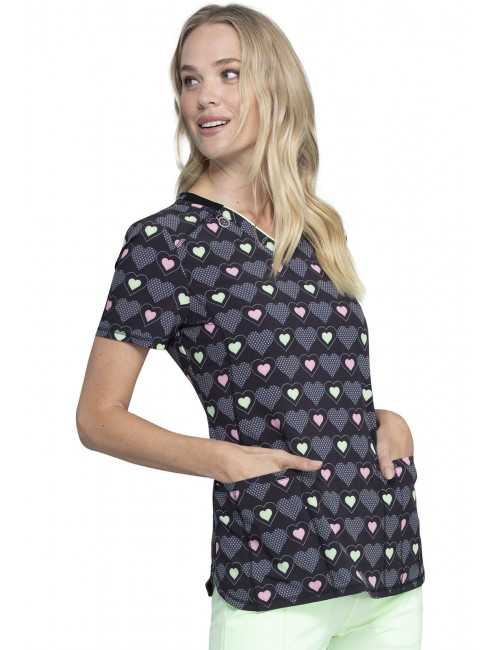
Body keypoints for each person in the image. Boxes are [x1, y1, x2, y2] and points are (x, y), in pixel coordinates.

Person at [76, 4, 425, 649]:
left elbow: (318, 379)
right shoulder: (166, 242)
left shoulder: (315, 228)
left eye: (228, 74)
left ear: (274, 84)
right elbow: (98, 418)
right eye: (190, 80)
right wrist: (225, 460)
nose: (205, 96)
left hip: (386, 559)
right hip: (273, 567)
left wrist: (385, 419)